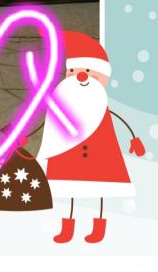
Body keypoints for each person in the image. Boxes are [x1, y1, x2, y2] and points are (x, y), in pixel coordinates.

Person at [36, 31, 145, 245]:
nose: (81, 76)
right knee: (70, 191)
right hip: (69, 155)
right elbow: (49, 122)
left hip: (101, 155)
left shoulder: (101, 104)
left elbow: (120, 119)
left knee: (101, 191)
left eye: (87, 71)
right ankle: (68, 227)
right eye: (74, 71)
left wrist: (134, 141)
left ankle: (99, 227)